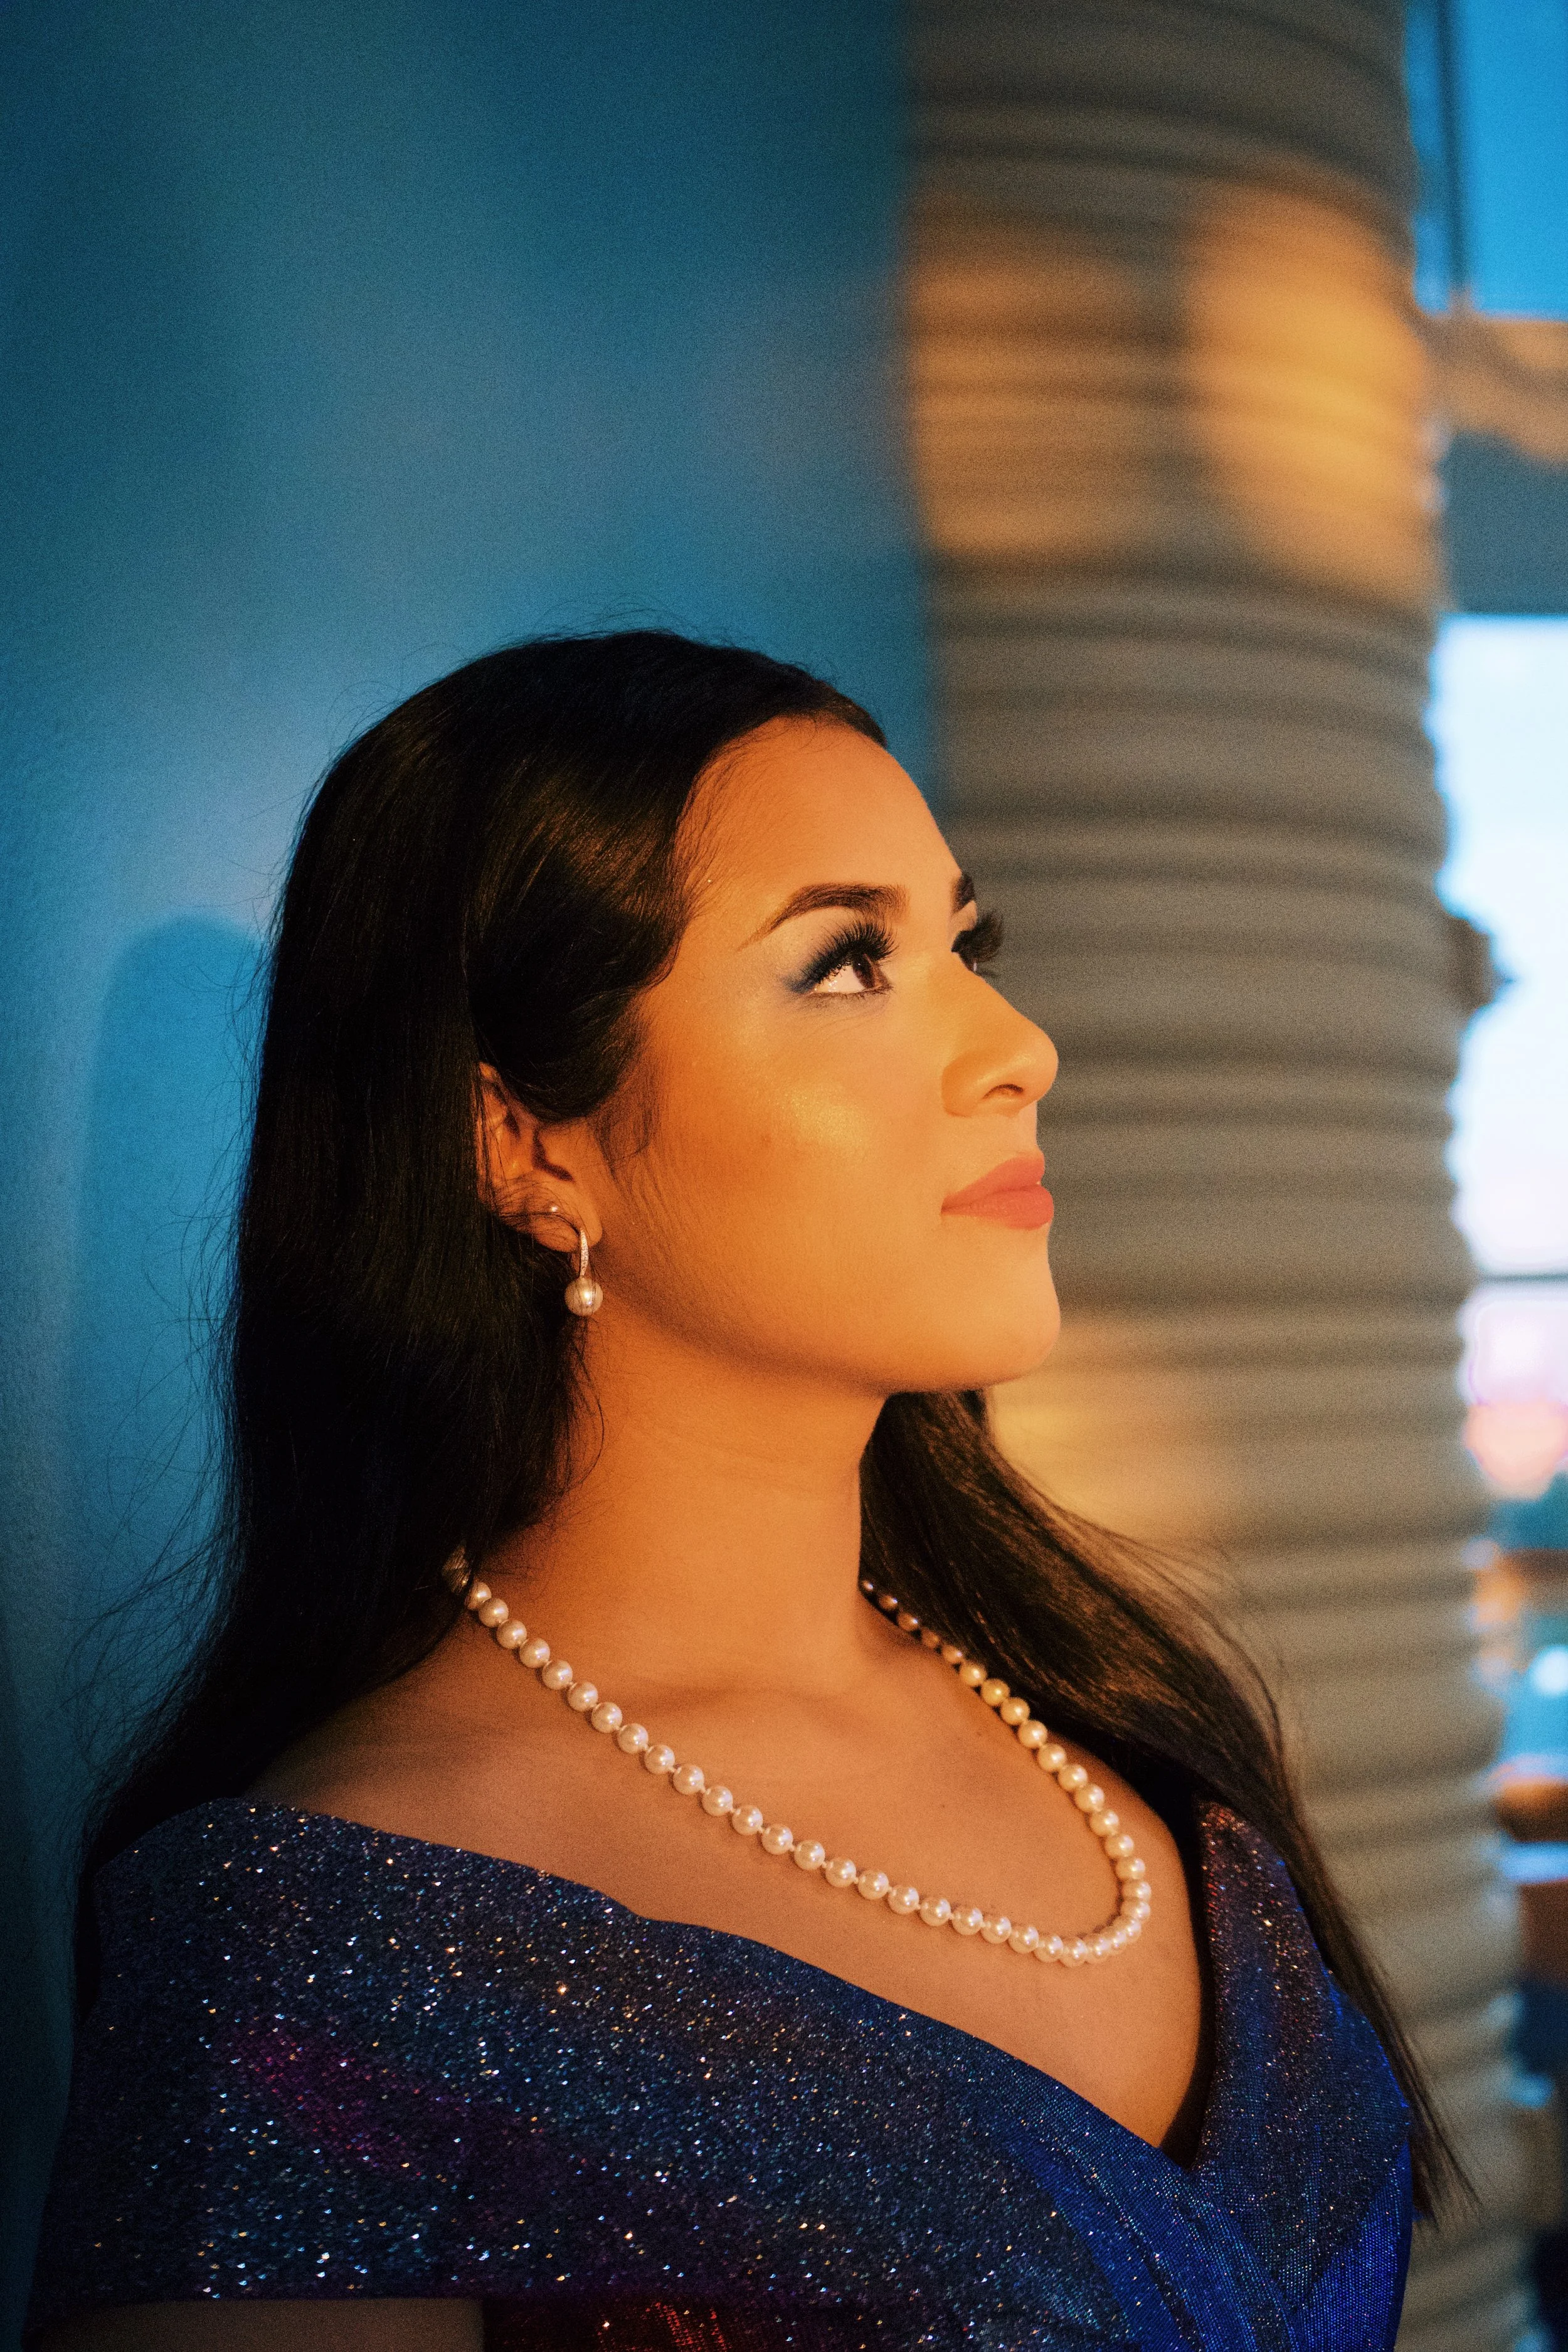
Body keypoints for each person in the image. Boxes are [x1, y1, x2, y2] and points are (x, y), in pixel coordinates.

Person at [29, 632, 1438, 2350]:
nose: (1020, 1048)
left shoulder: (1125, 1720)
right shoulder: (318, 1943)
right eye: (848, 963)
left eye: (967, 946)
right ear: (520, 1141)